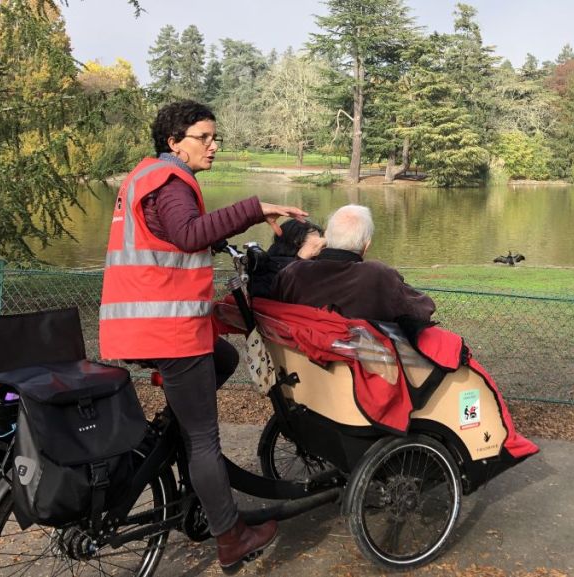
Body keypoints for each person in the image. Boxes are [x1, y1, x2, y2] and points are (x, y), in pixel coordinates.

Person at [98, 100, 306, 573]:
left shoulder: (145, 176)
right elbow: (187, 233)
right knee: (203, 440)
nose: (213, 146)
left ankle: (170, 440)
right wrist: (256, 208)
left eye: (216, 138)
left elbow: (172, 237)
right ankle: (231, 536)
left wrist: (219, 240)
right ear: (174, 142)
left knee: (224, 359)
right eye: (204, 137)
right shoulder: (170, 182)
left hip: (138, 325)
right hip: (169, 331)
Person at [271, 204, 435, 323]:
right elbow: (424, 310)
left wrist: (300, 260)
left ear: (326, 236)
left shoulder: (293, 272)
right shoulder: (377, 274)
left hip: (300, 362)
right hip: (362, 366)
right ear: (366, 244)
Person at [250, 220, 325, 298]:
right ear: (297, 242)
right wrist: (301, 259)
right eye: (316, 243)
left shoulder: (265, 265)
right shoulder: (278, 273)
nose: (321, 247)